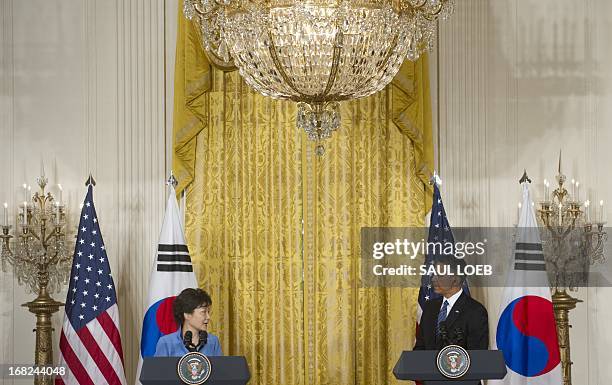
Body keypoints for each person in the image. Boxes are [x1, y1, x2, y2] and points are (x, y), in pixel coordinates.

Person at [414, 255, 488, 351]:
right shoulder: (430, 307)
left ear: (455, 280)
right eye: (434, 275)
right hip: (426, 366)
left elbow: (477, 354)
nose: (433, 279)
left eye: (439, 275)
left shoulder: (475, 311)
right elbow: (420, 347)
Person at [154, 288, 223, 356]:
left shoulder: (213, 341)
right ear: (187, 315)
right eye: (203, 312)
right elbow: (159, 367)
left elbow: (220, 367)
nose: (208, 317)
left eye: (208, 312)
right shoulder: (166, 343)